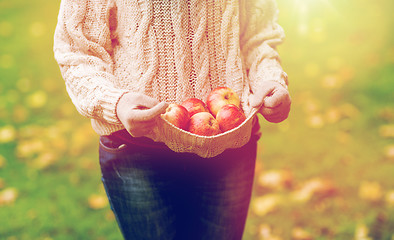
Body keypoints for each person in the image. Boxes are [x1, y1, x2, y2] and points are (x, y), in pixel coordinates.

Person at [53, 0, 291, 239]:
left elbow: (259, 35)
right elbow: (77, 51)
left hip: (228, 142)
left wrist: (269, 80)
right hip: (136, 149)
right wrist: (116, 102)